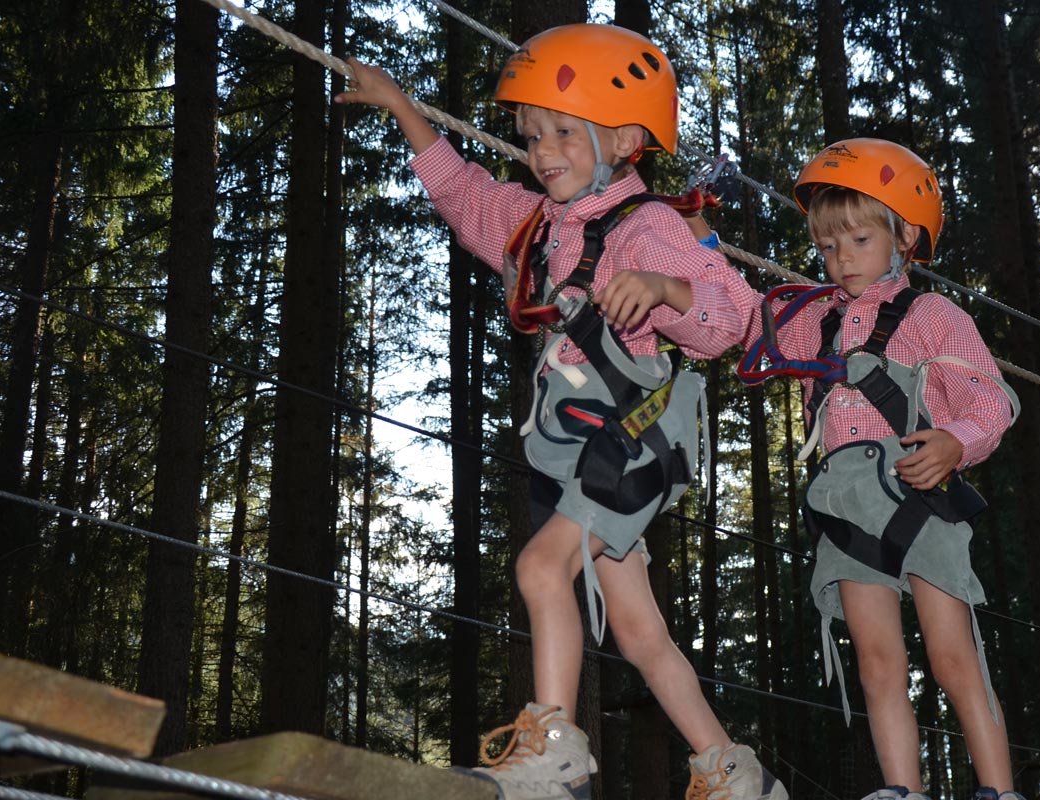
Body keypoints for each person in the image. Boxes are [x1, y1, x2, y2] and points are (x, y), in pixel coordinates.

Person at [335, 24, 786, 800]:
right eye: (532, 134)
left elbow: (735, 318)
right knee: (640, 632)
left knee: (541, 567)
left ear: (626, 138)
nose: (542, 151)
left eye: (563, 132)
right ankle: (733, 773)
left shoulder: (649, 226)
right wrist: (404, 110)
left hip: (630, 442)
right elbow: (466, 195)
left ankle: (556, 758)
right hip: (577, 447)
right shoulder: (542, 225)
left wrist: (668, 289)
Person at [734, 139, 1022, 800]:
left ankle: (998, 791)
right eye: (827, 248)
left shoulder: (930, 317)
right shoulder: (815, 322)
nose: (840, 260)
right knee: (877, 661)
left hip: (919, 495)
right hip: (847, 508)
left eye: (858, 241)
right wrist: (697, 242)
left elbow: (990, 400)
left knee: (953, 658)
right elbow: (751, 329)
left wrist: (953, 441)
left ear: (904, 237)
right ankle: (901, 788)